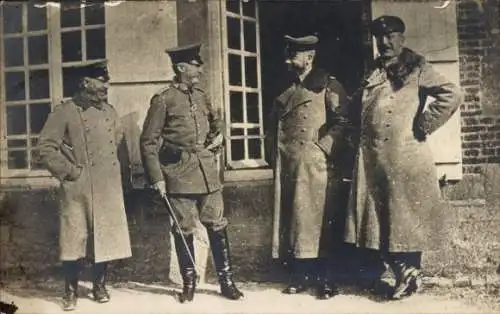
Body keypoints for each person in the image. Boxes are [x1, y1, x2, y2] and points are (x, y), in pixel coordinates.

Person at [344, 15, 463, 300]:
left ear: (402, 38)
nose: (385, 43)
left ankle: (409, 276)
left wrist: (423, 125)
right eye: (379, 38)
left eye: (391, 36)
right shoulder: (373, 71)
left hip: (404, 157)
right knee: (380, 218)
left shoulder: (417, 68)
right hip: (373, 157)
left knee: (405, 217)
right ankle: (399, 275)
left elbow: (452, 93)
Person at [140, 43, 244, 303]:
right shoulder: (163, 99)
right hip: (179, 174)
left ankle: (226, 281)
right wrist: (158, 178)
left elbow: (214, 122)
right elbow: (148, 141)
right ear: (180, 67)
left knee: (217, 224)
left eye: (199, 65)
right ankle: (189, 282)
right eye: (195, 66)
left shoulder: (201, 95)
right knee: (184, 227)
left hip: (208, 172)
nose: (199, 70)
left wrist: (218, 134)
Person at [38, 61, 132, 311]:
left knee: (106, 237)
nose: (105, 87)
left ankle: (99, 285)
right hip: (77, 187)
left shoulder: (110, 112)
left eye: (106, 82)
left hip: (107, 186)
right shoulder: (65, 111)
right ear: (85, 84)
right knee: (73, 239)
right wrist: (69, 171)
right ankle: (70, 291)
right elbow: (45, 147)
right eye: (101, 82)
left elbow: (119, 142)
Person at [267, 34, 349, 299]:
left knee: (320, 221)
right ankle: (300, 275)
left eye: (293, 56)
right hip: (289, 164)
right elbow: (273, 124)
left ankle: (326, 279)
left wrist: (322, 148)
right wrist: (274, 155)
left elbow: (343, 122)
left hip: (315, 164)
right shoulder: (285, 86)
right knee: (295, 220)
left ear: (309, 57)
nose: (287, 61)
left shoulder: (327, 84)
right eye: (288, 54)